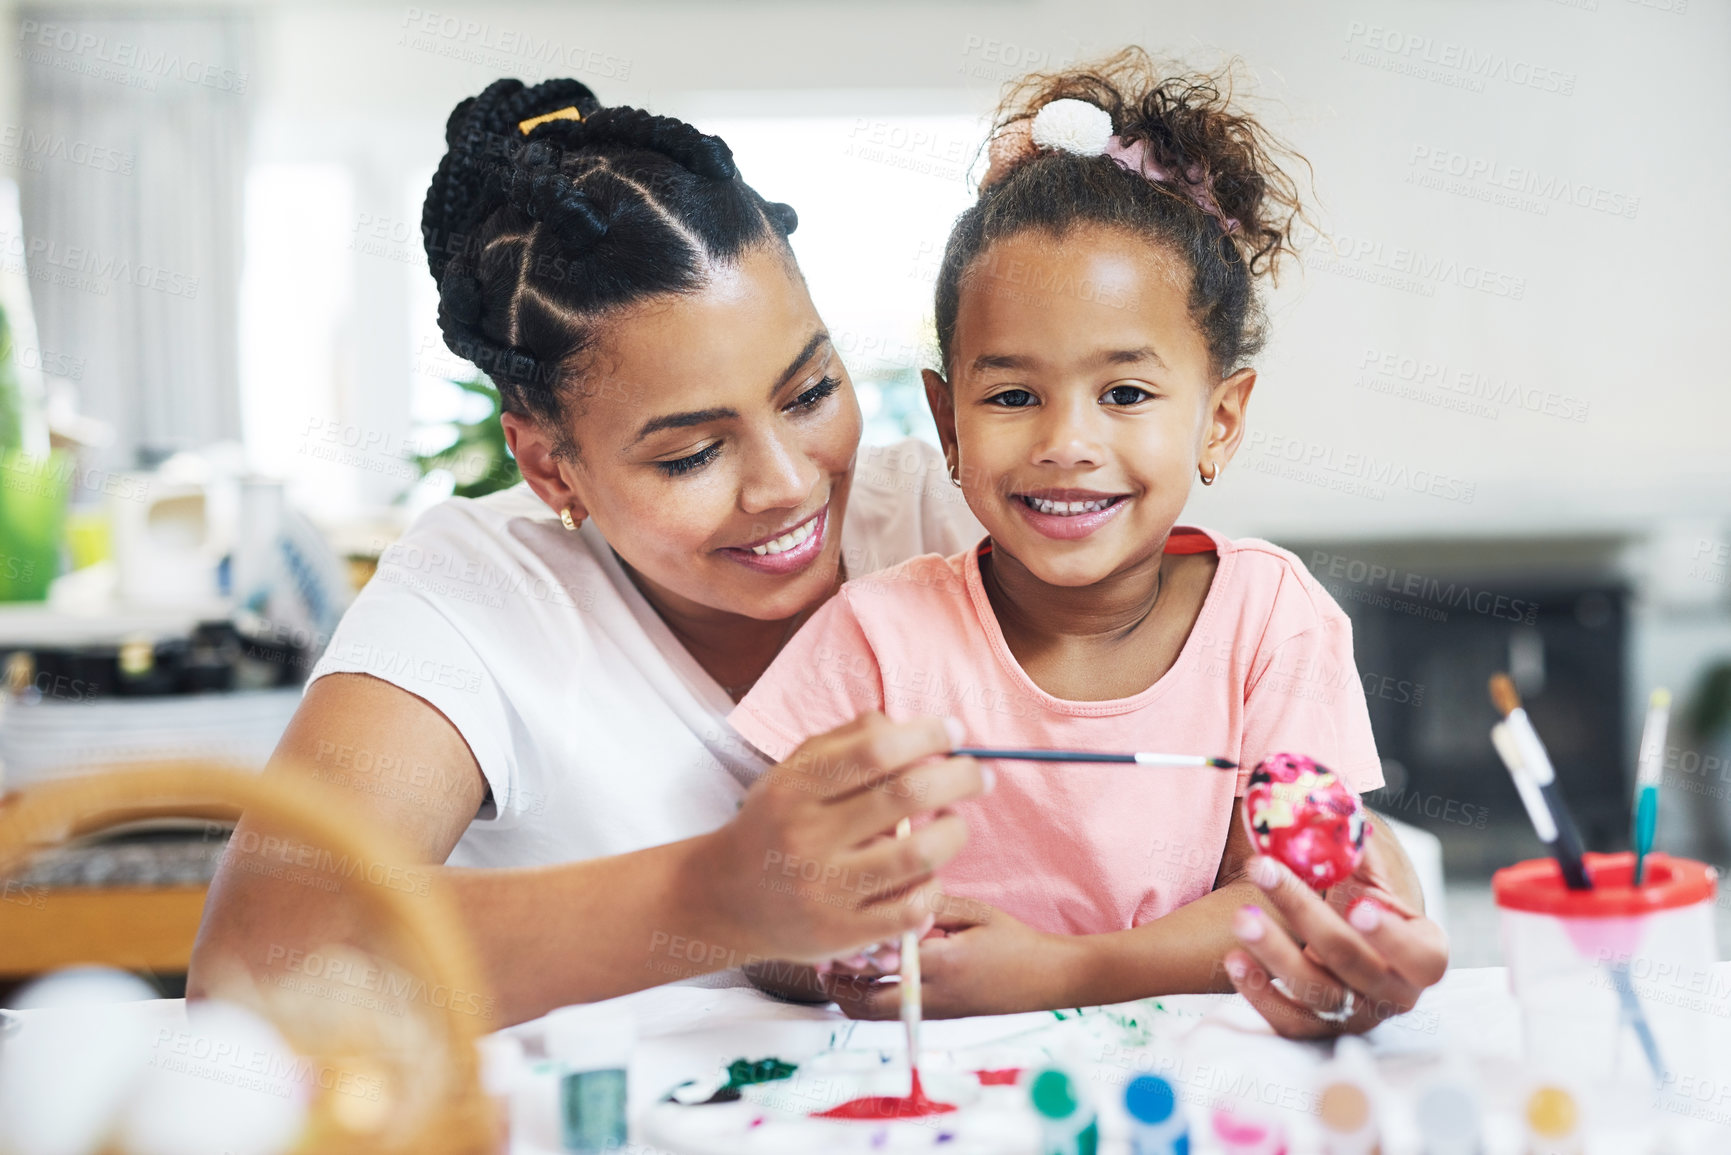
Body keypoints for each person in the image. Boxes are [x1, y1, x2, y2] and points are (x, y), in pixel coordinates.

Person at [188, 77, 990, 1028]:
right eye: (691, 452)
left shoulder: (961, 517)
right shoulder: (475, 594)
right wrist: (710, 897)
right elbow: (261, 960)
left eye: (810, 392)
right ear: (548, 465)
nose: (786, 482)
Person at [731, 50, 1448, 1034]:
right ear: (948, 421)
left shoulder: (1270, 619)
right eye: (1014, 396)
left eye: (1126, 394)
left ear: (1220, 420)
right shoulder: (876, 633)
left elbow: (1288, 898)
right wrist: (826, 940)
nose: (1067, 444)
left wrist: (1053, 971)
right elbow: (754, 912)